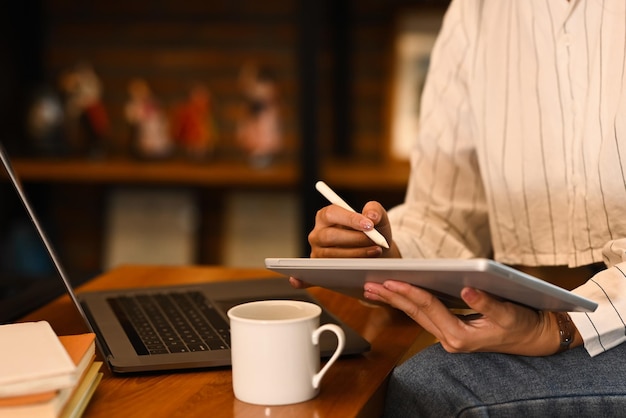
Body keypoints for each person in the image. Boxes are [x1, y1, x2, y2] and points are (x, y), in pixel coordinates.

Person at [292, 0, 626, 416]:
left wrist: (562, 325)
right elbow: (445, 212)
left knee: (431, 387)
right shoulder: (477, 13)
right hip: (548, 313)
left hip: (581, 320)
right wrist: (384, 252)